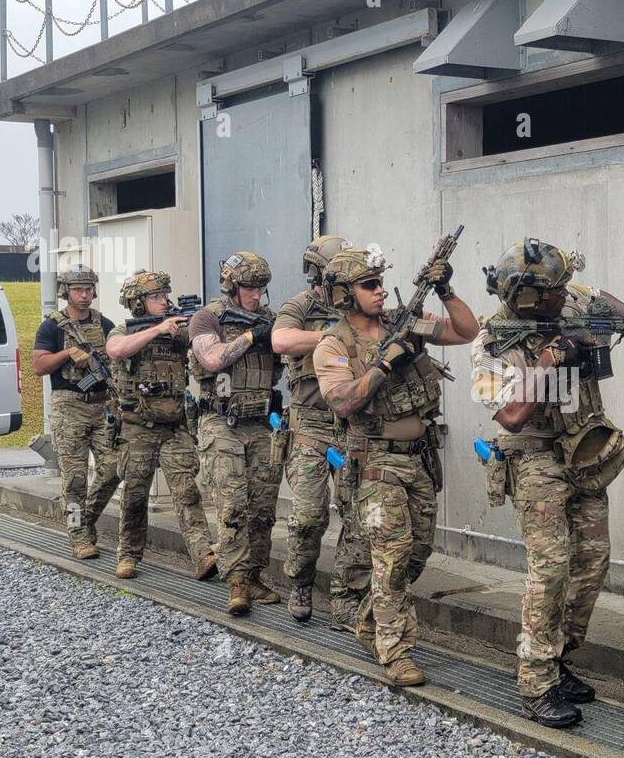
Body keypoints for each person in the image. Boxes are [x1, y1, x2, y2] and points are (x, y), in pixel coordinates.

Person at [471, 240, 624, 728]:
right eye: (554, 293)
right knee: (551, 568)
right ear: (527, 299)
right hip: (535, 459)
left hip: (584, 452)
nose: (566, 298)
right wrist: (551, 359)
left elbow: (604, 302)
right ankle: (536, 682)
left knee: (592, 562)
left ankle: (559, 658)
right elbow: (512, 416)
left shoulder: (570, 298)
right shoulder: (490, 341)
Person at [312, 242, 478, 686]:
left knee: (418, 551)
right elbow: (343, 401)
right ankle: (395, 650)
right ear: (345, 294)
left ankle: (370, 619)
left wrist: (445, 290)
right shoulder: (334, 344)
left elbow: (467, 332)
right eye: (369, 285)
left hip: (417, 461)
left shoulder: (404, 324)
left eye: (382, 282)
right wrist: (386, 362)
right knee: (391, 554)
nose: (380, 291)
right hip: (373, 463)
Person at [272, 236, 371, 627]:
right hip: (310, 426)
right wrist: (336, 337)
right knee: (310, 514)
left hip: (351, 427)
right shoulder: (302, 305)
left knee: (358, 516)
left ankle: (347, 597)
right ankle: (300, 582)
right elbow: (281, 339)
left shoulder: (359, 304)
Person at [104, 270, 217, 581]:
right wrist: (157, 331)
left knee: (186, 490)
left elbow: (203, 347)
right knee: (136, 494)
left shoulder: (176, 329)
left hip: (175, 427)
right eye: (155, 297)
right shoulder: (123, 330)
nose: (163, 301)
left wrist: (188, 328)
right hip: (137, 427)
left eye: (164, 295)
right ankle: (128, 555)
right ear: (138, 303)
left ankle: (203, 554)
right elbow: (115, 350)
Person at [188, 252, 285, 615]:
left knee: (262, 507)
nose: (256, 294)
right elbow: (212, 360)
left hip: (262, 422)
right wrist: (250, 335)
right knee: (232, 506)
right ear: (231, 284)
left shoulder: (271, 319)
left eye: (261, 288)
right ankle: (237, 581)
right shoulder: (207, 317)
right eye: (248, 287)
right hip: (222, 421)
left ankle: (256, 576)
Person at [32, 264, 120, 559]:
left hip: (101, 405)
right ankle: (78, 535)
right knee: (74, 479)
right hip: (68, 405)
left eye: (88, 289)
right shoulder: (52, 326)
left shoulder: (104, 324)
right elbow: (38, 366)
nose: (84, 295)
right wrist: (67, 353)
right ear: (65, 292)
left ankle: (85, 520)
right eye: (78, 289)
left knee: (114, 467)